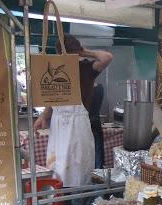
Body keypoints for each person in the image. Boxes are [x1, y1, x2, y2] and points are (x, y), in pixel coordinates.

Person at [34, 36, 113, 190]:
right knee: (58, 166)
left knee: (78, 168)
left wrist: (84, 52)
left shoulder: (87, 68)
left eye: (70, 54)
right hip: (59, 128)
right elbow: (53, 100)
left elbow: (107, 57)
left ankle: (78, 204)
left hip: (77, 127)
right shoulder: (55, 69)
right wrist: (44, 116)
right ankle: (60, 200)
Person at [89, 83, 105, 169]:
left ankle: (97, 172)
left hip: (87, 121)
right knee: (98, 149)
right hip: (95, 120)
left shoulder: (84, 89)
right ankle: (99, 172)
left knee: (94, 149)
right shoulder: (100, 87)